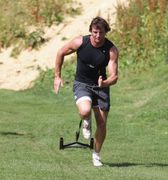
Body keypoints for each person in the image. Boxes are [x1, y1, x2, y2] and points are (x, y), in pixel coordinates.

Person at [54, 16, 119, 167]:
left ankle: (96, 155)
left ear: (105, 32)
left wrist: (105, 83)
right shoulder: (80, 42)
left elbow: (114, 76)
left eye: (101, 32)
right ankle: (86, 121)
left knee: (102, 125)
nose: (97, 36)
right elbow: (60, 53)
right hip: (82, 84)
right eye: (95, 32)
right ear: (91, 31)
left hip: (101, 88)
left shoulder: (111, 50)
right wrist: (57, 76)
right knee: (84, 111)